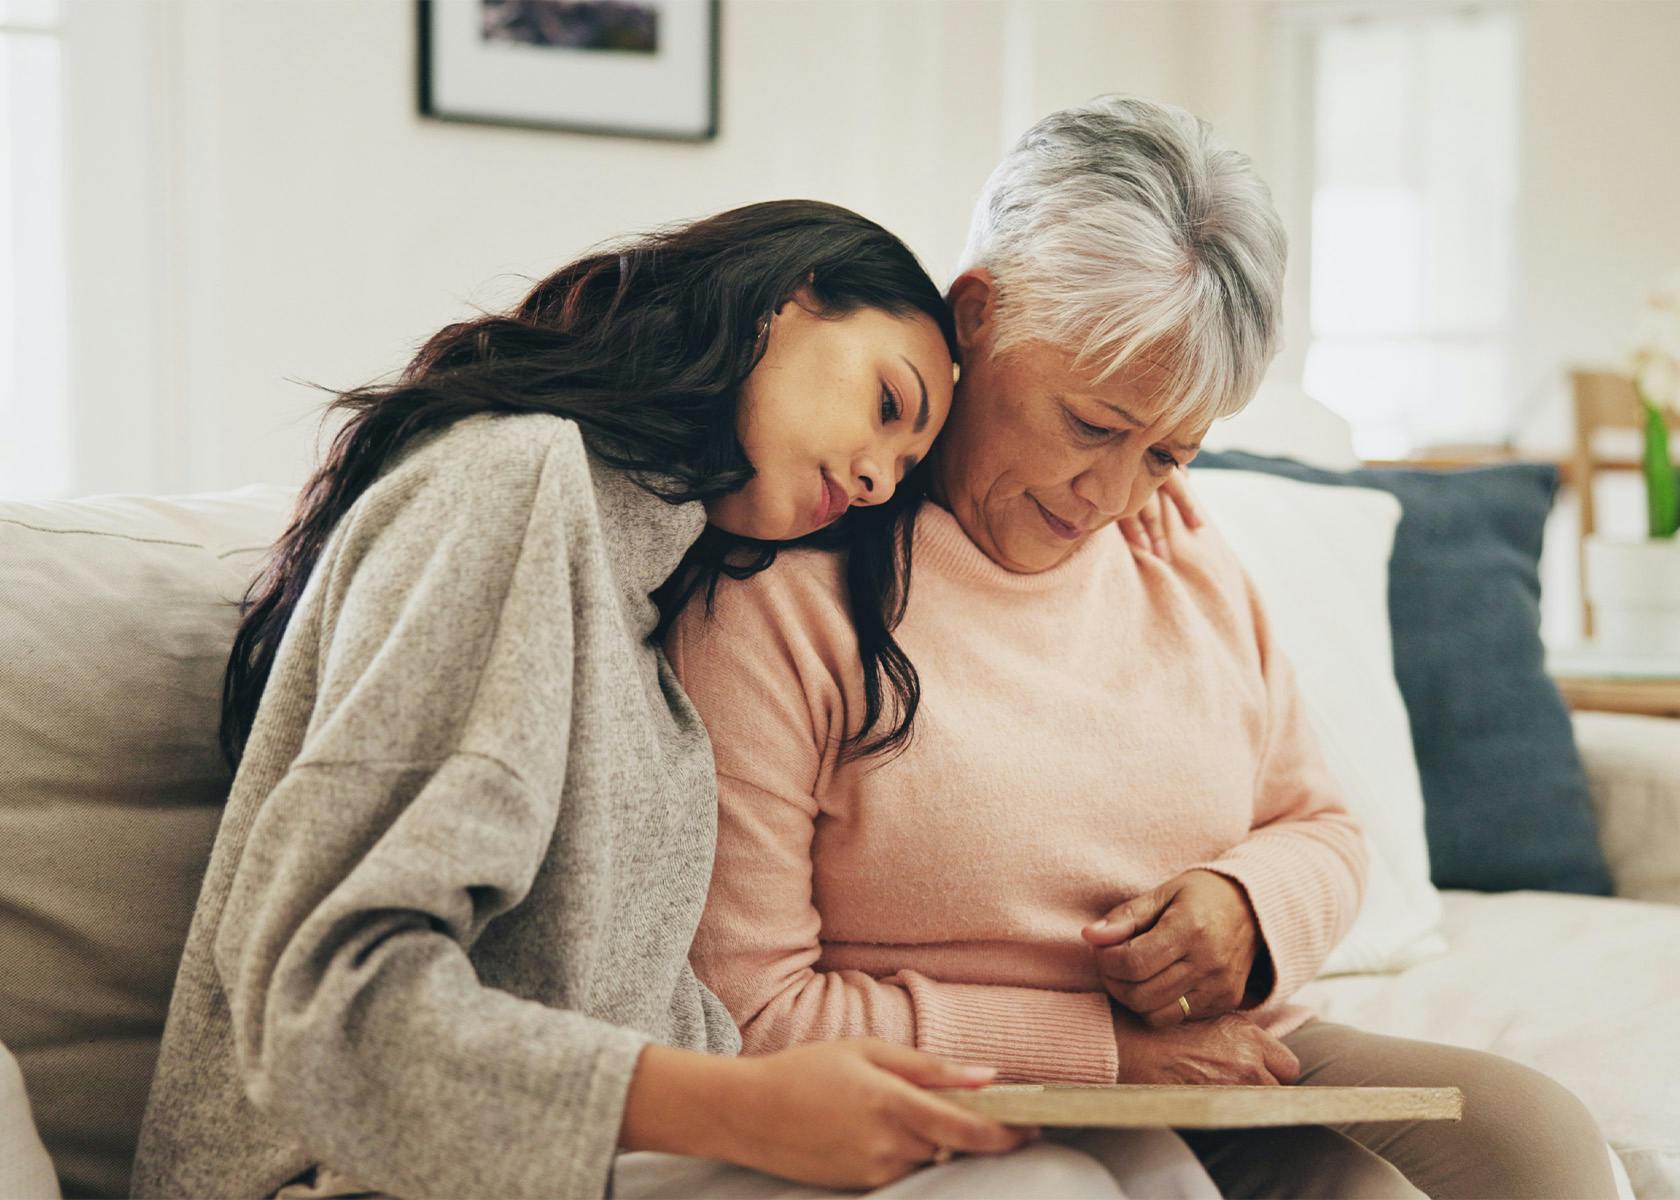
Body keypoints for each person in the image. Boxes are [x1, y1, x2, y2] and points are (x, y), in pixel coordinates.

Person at [661, 98, 1620, 1198]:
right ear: (977, 314)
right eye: (1093, 426)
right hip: (944, 1082)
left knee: (1534, 1141)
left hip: (1209, 1059)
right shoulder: (790, 582)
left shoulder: (1182, 551)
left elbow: (1321, 824)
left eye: (1168, 452)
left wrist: (1247, 907)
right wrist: (1101, 1054)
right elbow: (751, 1013)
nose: (1111, 498)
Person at [128, 200, 1062, 1200]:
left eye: (907, 466)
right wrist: (747, 1112)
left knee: (1115, 1164)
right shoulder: (513, 481)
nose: (879, 480)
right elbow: (325, 1007)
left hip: (588, 1173)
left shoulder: (647, 610)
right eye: (888, 405)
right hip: (350, 1178)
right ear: (784, 305)